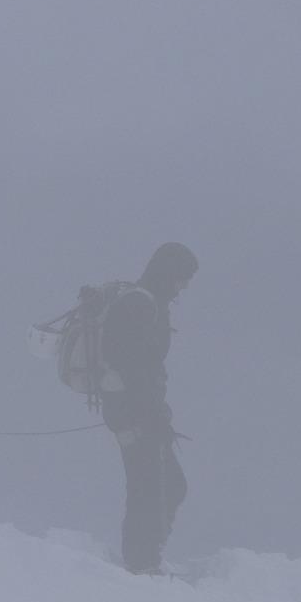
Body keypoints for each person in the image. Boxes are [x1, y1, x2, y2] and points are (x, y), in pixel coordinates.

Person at [99, 242, 199, 575]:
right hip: (131, 412)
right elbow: (131, 365)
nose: (184, 286)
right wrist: (151, 413)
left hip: (139, 409)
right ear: (168, 273)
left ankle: (144, 554)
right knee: (151, 483)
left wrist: (157, 412)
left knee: (165, 483)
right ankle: (141, 561)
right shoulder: (140, 304)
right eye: (182, 278)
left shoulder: (148, 302)